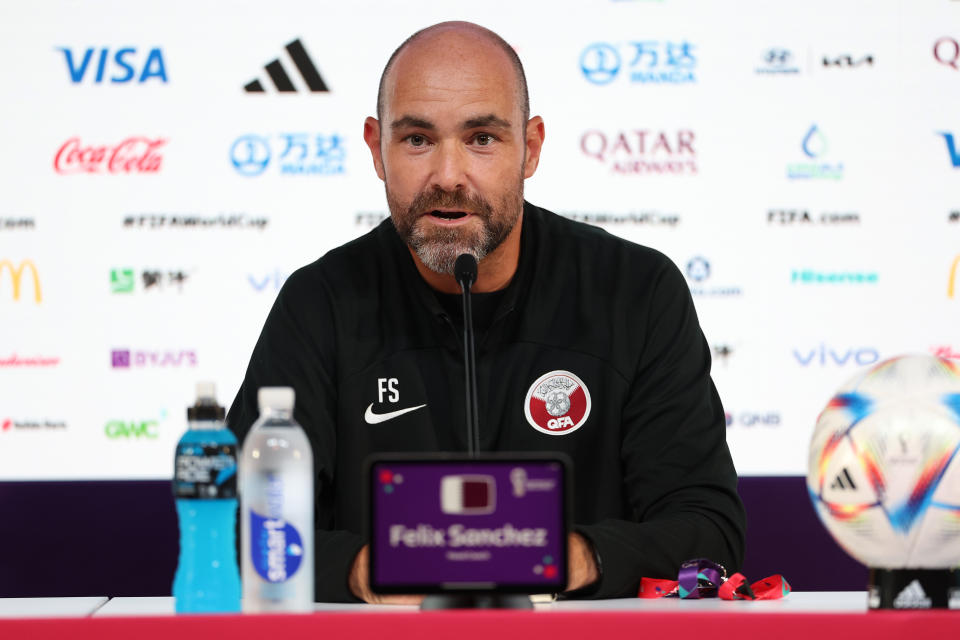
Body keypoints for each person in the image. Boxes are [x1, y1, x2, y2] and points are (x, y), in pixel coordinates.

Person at [227, 21, 746, 603]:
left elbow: (709, 531)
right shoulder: (319, 303)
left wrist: (570, 557)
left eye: (481, 138)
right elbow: (235, 528)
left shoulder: (637, 292)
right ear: (377, 148)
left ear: (532, 148)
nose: (448, 176)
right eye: (418, 139)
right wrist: (366, 569)